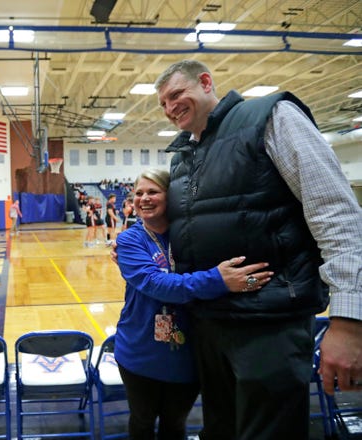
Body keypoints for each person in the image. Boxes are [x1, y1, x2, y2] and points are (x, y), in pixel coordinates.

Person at [154, 59, 362, 439]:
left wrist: (349, 321)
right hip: (211, 324)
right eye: (163, 104)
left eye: (176, 95)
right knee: (221, 431)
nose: (170, 108)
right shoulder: (184, 157)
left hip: (270, 323)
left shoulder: (269, 116)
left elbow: (336, 212)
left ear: (205, 82)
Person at [115, 168, 273, 440]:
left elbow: (238, 275)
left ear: (170, 196)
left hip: (189, 352)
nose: (144, 198)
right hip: (139, 350)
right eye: (139, 193)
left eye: (153, 191)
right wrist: (217, 280)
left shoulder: (194, 236)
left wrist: (241, 283)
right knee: (141, 422)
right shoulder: (130, 240)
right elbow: (155, 284)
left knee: (175, 424)